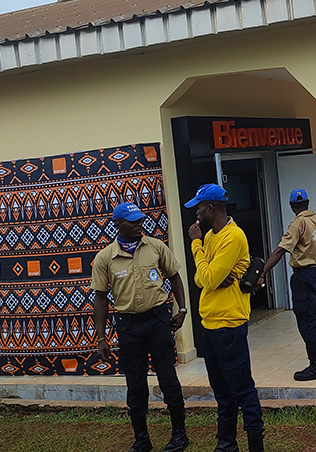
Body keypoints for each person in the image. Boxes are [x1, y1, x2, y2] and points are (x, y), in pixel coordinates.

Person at [92, 202, 190, 452]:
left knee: (168, 379)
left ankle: (180, 436)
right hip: (128, 327)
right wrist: (101, 337)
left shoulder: (156, 246)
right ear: (118, 225)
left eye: (140, 220)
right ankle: (142, 439)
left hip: (158, 321)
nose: (139, 225)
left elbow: (175, 277)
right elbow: (101, 297)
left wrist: (181, 309)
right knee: (135, 385)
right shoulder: (105, 258)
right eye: (133, 222)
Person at [185, 184, 264, 452]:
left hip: (229, 325)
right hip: (209, 325)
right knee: (222, 393)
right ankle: (226, 445)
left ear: (210, 208)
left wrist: (196, 245)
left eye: (198, 207)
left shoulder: (233, 237)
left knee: (243, 390)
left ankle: (256, 446)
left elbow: (206, 276)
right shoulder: (211, 237)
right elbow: (201, 279)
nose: (195, 213)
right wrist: (210, 275)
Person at [258, 188, 316, 382]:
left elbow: (280, 250)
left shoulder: (298, 223)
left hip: (303, 277)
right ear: (308, 203)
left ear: (293, 206)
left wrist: (262, 272)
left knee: (307, 320)